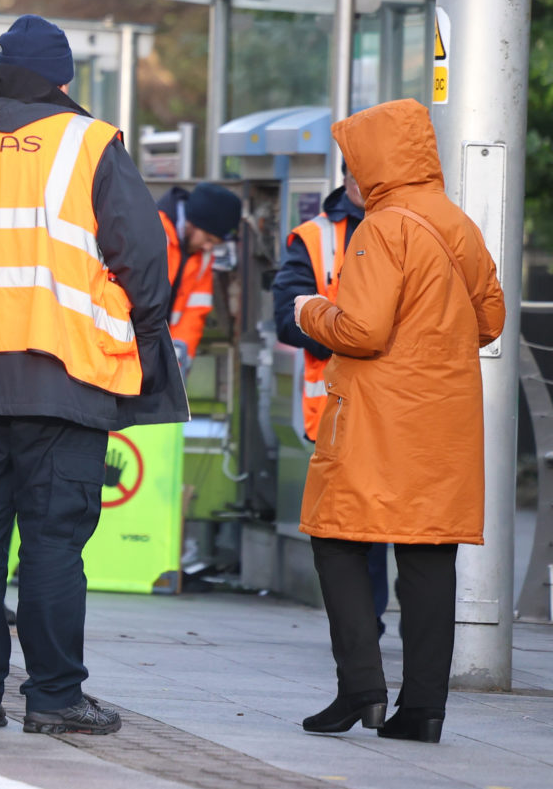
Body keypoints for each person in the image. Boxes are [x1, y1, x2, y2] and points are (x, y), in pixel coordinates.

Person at [0, 14, 187, 737]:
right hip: (65, 375)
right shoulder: (88, 143)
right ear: (63, 81)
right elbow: (143, 257)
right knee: (52, 540)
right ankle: (54, 697)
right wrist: (144, 335)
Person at [292, 99, 503, 744]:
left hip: (379, 417)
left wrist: (309, 311)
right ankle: (423, 710)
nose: (350, 178)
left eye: (353, 164)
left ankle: (360, 689)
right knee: (428, 556)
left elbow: (360, 329)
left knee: (337, 539)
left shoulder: (382, 227)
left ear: (373, 166)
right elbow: (489, 321)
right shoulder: (456, 222)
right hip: (444, 421)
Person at [273, 170, 389, 636]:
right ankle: (366, 628)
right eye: (355, 171)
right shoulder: (314, 236)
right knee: (355, 525)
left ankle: (385, 628)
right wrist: (345, 335)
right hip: (339, 405)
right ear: (345, 177)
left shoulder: (411, 225)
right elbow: (286, 316)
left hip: (402, 401)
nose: (364, 179)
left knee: (407, 524)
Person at [156, 180, 241, 376]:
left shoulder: (201, 256)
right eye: (209, 239)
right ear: (193, 221)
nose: (209, 248)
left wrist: (177, 360)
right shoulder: (154, 232)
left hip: (158, 358)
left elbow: (194, 313)